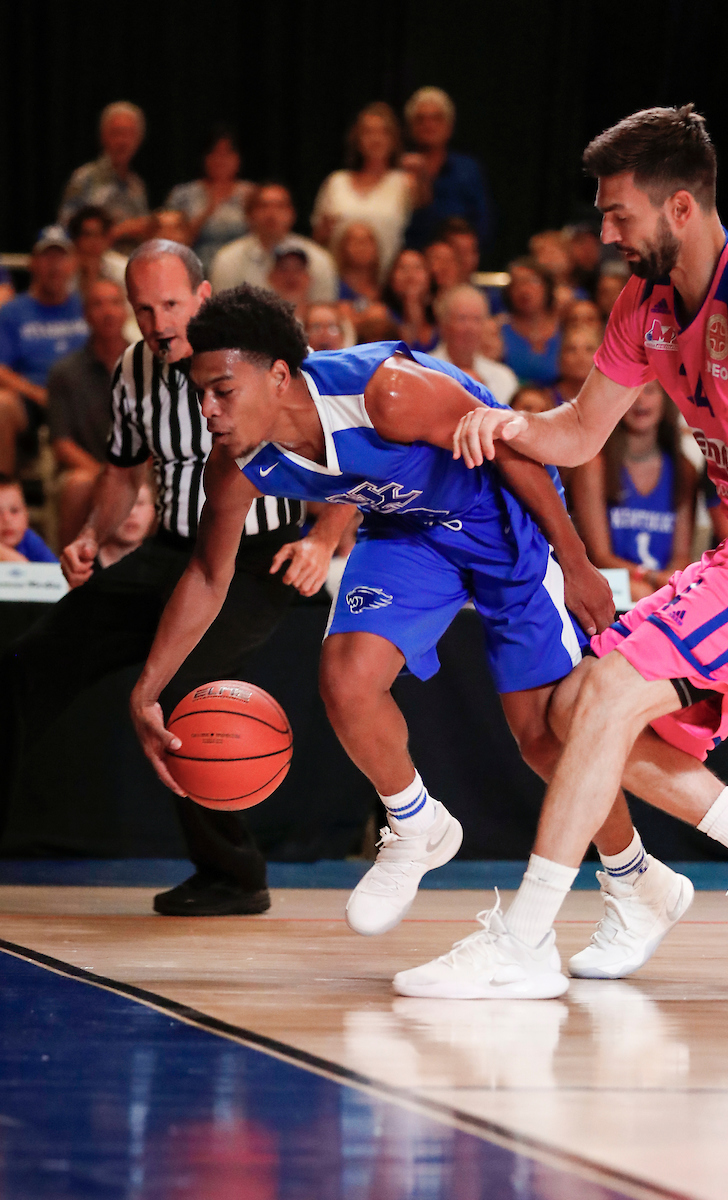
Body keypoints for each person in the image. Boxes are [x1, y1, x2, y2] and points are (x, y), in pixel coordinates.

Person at [398, 103, 728, 999]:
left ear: (682, 208)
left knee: (612, 689)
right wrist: (504, 422)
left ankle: (523, 938)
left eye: (620, 214)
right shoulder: (644, 304)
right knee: (574, 709)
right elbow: (579, 434)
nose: (606, 231)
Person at [128, 284, 613, 944]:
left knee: (542, 740)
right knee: (346, 677)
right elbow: (209, 575)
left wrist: (577, 560)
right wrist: (148, 691)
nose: (208, 409)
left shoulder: (384, 391)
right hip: (409, 532)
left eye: (223, 390)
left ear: (277, 375)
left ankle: (635, 878)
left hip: (501, 518)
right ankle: (416, 825)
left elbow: (512, 451)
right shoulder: (237, 460)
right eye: (200, 392)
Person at [0, 241, 355, 918]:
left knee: (191, 692)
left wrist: (322, 539)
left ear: (200, 298)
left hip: (258, 557)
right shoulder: (134, 369)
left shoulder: (259, 357)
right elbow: (124, 470)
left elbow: (348, 457)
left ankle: (234, 874)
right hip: (170, 548)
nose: (158, 321)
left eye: (170, 304)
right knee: (25, 663)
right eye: (143, 308)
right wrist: (91, 537)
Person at [571, 382, 696, 602]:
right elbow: (598, 555)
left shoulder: (684, 470)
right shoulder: (594, 466)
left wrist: (667, 583)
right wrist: (649, 578)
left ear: (665, 399)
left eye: (649, 391)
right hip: (608, 583)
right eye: (631, 392)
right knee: (641, 593)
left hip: (660, 588)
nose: (640, 400)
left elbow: (681, 556)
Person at [47, 278, 131, 548]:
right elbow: (61, 443)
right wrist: (103, 476)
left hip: (138, 467)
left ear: (126, 311)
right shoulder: (64, 372)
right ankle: (69, 578)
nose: (107, 311)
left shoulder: (148, 364)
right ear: (85, 315)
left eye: (115, 303)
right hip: (85, 467)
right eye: (98, 304)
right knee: (79, 485)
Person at [0, 227, 88, 475]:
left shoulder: (87, 305)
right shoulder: (12, 312)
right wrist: (38, 393)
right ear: (33, 264)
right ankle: (5, 494)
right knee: (1, 404)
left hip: (81, 398)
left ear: (73, 264)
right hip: (32, 400)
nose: (55, 266)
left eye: (61, 258)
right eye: (47, 258)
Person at [311, 103, 415, 279]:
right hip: (338, 281)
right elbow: (317, 239)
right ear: (357, 139)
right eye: (368, 132)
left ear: (394, 139)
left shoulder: (404, 183)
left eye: (383, 132)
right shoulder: (336, 182)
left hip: (386, 283)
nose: (376, 139)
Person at [210, 183, 337, 303]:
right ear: (249, 215)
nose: (272, 214)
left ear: (292, 214)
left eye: (280, 206)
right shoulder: (228, 258)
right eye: (263, 206)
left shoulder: (318, 258)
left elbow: (324, 309)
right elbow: (223, 315)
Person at [402, 88, 491, 252]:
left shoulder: (467, 170)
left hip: (456, 263)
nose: (428, 125)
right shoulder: (398, 169)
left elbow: (482, 225)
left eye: (436, 118)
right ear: (410, 127)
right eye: (420, 119)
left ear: (449, 126)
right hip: (409, 263)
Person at [59, 102, 150, 251]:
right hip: (96, 264)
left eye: (129, 134)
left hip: (132, 261)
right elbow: (67, 229)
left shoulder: (137, 184)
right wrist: (120, 230)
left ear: (139, 139)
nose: (123, 141)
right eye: (117, 133)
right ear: (103, 137)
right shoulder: (85, 178)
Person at [166, 126, 253, 275]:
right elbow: (171, 241)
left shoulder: (251, 194)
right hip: (194, 271)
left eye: (227, 153)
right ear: (204, 158)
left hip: (241, 272)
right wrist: (208, 210)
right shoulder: (183, 194)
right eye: (215, 153)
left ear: (238, 158)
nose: (221, 160)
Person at [431, 285, 517, 405]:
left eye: (477, 320)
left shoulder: (503, 378)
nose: (470, 328)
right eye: (462, 319)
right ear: (443, 324)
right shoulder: (425, 370)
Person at [497, 258, 561, 386]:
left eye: (532, 282)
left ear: (547, 286)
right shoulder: (497, 330)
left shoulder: (565, 328)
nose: (524, 290)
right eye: (517, 283)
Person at [383, 249, 437, 352]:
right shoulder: (381, 315)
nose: (410, 274)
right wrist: (411, 303)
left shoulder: (441, 317)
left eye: (417, 268)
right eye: (403, 268)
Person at [94, 479, 156, 569]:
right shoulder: (79, 563)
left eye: (139, 503)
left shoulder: (167, 567)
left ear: (152, 511)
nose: (131, 512)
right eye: (121, 504)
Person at [0, 474, 58, 563]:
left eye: (14, 511)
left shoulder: (30, 539)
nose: (7, 519)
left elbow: (54, 569)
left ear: (26, 515)